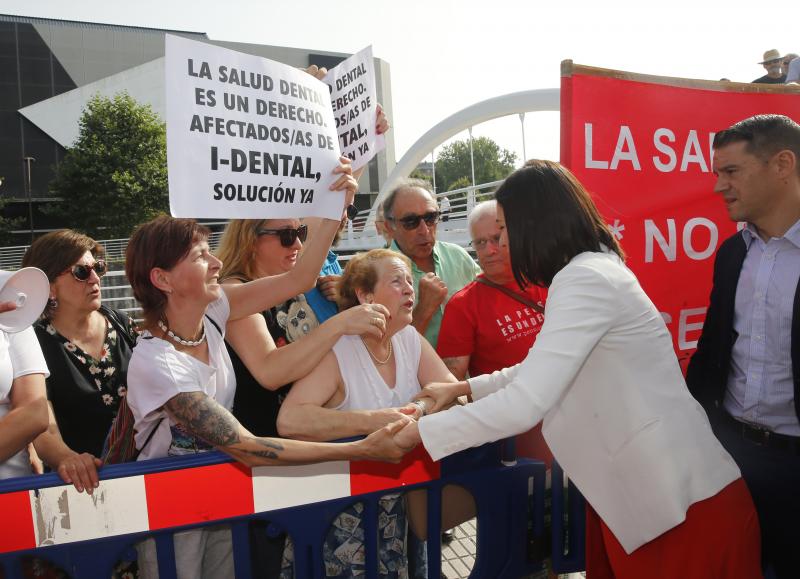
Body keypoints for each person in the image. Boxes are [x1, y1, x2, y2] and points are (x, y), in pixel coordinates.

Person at [390, 160, 762, 578]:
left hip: (675, 507)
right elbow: (540, 369)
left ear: (535, 223)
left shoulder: (583, 278)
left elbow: (526, 402)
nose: (505, 241)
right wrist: (462, 390)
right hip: (651, 502)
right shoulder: (591, 270)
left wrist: (418, 435)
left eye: (506, 227)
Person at [124, 161, 405, 579]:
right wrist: (361, 449)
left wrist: (339, 194)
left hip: (220, 492)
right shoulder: (159, 365)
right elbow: (248, 448)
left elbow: (302, 276)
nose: (216, 263)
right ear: (162, 279)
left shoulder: (215, 309)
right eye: (201, 257)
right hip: (171, 512)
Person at [277, 248, 463, 578]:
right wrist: (372, 421)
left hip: (402, 509)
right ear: (364, 295)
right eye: (396, 281)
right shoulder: (339, 349)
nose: (410, 289)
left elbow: (449, 390)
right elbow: (291, 419)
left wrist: (416, 408)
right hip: (342, 517)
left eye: (410, 280)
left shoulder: (408, 338)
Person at [686, 114, 800, 578]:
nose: (718, 186)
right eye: (717, 173)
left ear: (782, 164)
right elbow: (714, 348)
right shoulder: (733, 254)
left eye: (731, 171)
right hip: (731, 455)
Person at [215, 219, 389, 437]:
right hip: (265, 443)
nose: (297, 244)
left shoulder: (298, 282)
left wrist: (345, 299)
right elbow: (270, 372)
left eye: (300, 232)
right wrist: (341, 323)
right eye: (287, 236)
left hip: (312, 433)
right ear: (250, 239)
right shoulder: (233, 292)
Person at [21, 230, 138, 494]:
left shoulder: (122, 324)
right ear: (49, 287)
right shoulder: (35, 343)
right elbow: (42, 423)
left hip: (146, 473)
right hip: (84, 487)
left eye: (98, 268)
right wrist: (66, 458)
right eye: (81, 272)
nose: (95, 278)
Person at [437, 200, 550, 464]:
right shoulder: (463, 305)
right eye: (479, 243)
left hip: (573, 431)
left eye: (497, 239)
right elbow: (449, 381)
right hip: (514, 449)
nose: (489, 250)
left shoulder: (551, 279)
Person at [384, 179, 481, 346]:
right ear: (389, 227)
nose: (424, 230)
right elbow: (383, 350)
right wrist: (424, 309)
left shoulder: (457, 256)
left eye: (430, 217)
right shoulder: (376, 273)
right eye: (411, 222)